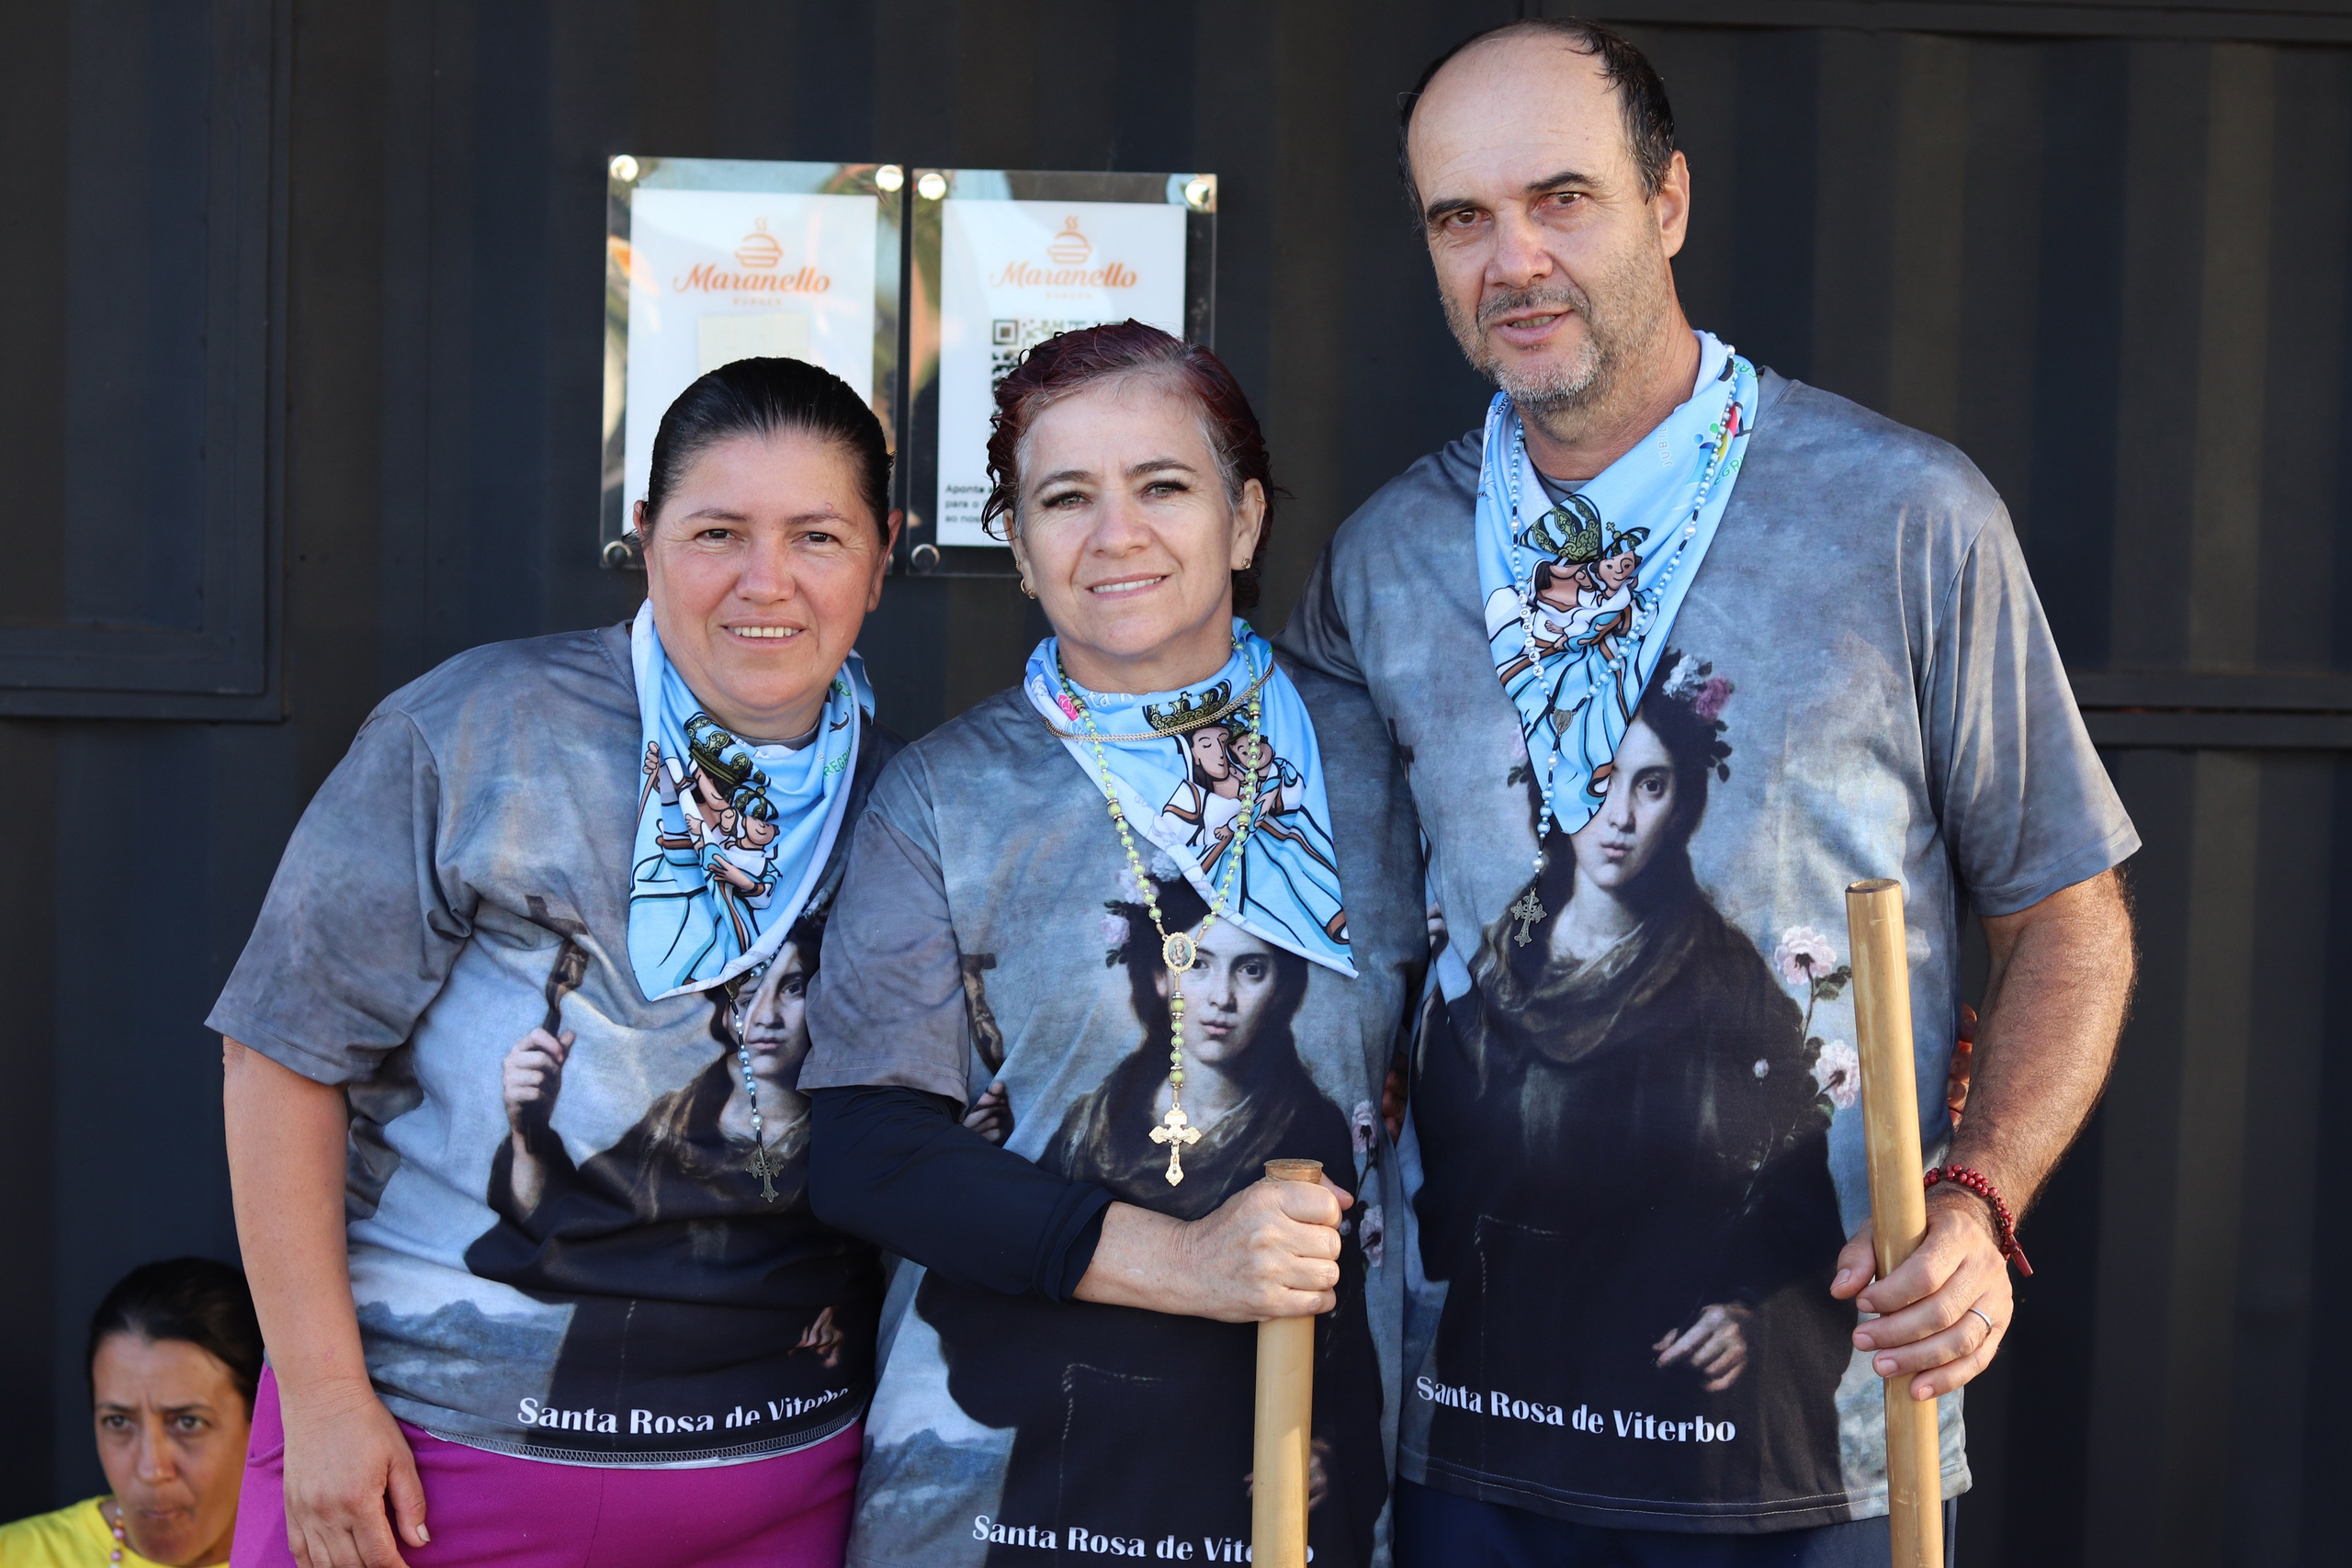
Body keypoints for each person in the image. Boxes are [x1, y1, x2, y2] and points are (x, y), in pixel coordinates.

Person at [1277, 20, 2141, 1565]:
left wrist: (1978, 1199)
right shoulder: (1385, 561)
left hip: (1819, 1424)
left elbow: (2069, 918)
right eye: (1461, 217)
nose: (1514, 258)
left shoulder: (1905, 514)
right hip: (1480, 1420)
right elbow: (1337, 952)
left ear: (1669, 201)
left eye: (1564, 197)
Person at [211, 356, 902, 1568]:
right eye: (716, 531)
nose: (766, 579)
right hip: (431, 1463)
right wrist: (319, 1398)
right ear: (642, 537)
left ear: (885, 554)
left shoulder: (913, 804)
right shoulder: (480, 726)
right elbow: (281, 1051)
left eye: (817, 534)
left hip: (778, 1477)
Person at [799, 321, 1424, 1567]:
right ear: (1020, 546)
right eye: (1066, 497)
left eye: (1163, 486)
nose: (1115, 533)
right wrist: (1186, 1257)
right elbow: (868, 1148)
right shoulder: (944, 794)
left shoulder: (1377, 761)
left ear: (1244, 523)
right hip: (1002, 1496)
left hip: (1311, 1473)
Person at [0, 1259, 262, 1568]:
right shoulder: (15, 1556)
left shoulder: (315, 1557)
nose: (151, 1470)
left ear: (260, 1423)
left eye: (188, 1422)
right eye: (118, 1421)